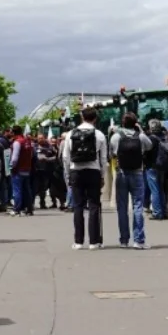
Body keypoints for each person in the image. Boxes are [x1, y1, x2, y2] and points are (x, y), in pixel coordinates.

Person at [61, 107, 108, 250]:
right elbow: (104, 157)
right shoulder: (99, 134)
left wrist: (68, 174)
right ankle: (94, 241)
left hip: (76, 171)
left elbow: (65, 157)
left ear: (82, 117)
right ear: (95, 118)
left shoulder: (70, 134)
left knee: (78, 206)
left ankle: (78, 241)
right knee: (94, 205)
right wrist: (102, 175)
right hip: (93, 171)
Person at [110, 113, 153, 249]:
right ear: (135, 123)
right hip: (137, 173)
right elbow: (150, 146)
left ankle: (124, 240)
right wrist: (140, 130)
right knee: (138, 206)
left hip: (121, 173)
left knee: (122, 208)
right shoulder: (140, 136)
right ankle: (138, 240)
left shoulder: (116, 136)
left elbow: (112, 153)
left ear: (122, 123)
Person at [147, 119, 168, 220]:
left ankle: (157, 212)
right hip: (163, 166)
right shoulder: (165, 137)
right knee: (161, 189)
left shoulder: (151, 138)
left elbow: (147, 151)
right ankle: (164, 212)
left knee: (155, 190)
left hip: (153, 166)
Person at [9, 125, 35, 217]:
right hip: (27, 169)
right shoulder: (27, 141)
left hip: (18, 169)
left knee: (17, 190)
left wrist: (11, 166)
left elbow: (15, 157)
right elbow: (31, 155)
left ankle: (17, 209)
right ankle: (29, 209)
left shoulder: (17, 142)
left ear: (13, 132)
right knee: (27, 190)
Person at [34, 133, 57, 210]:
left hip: (47, 171)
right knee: (35, 187)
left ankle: (43, 203)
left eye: (41, 138)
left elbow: (56, 157)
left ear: (44, 138)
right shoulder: (34, 146)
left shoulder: (50, 147)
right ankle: (32, 204)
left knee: (44, 188)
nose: (40, 139)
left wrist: (47, 159)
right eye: (39, 138)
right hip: (36, 171)